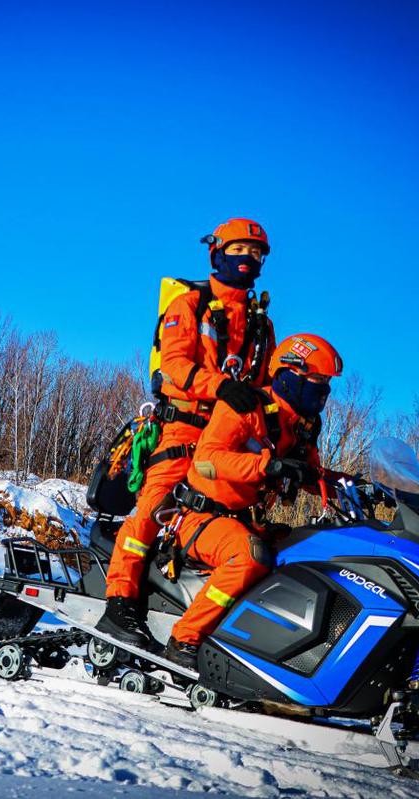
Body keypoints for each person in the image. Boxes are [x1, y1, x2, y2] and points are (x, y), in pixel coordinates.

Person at [96, 219, 277, 647]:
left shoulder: (261, 325)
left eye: (257, 254)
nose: (249, 260)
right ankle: (119, 603)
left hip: (229, 438)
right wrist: (220, 386)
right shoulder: (189, 307)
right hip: (185, 425)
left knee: (236, 520)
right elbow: (174, 365)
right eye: (240, 251)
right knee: (153, 506)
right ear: (217, 253)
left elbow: (267, 384)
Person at [160, 333, 344, 670]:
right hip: (202, 517)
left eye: (327, 384)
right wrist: (267, 465)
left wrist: (354, 488)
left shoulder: (301, 427)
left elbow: (313, 475)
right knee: (250, 556)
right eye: (318, 381)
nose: (324, 392)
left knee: (308, 552)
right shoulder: (247, 406)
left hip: (246, 521)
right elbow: (207, 460)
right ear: (291, 375)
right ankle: (185, 638)